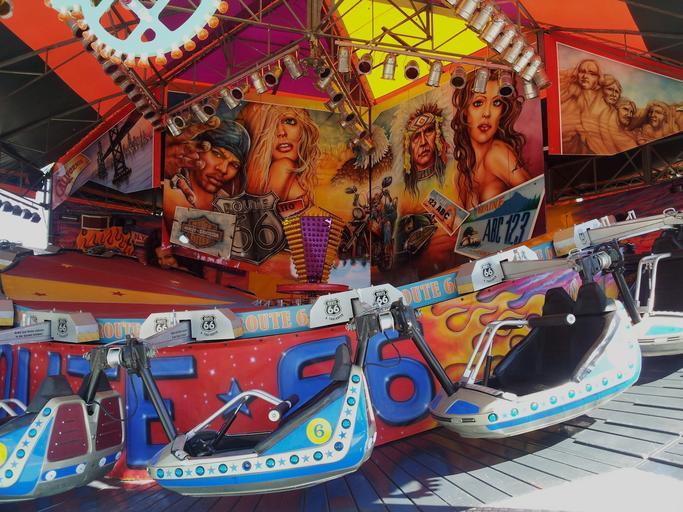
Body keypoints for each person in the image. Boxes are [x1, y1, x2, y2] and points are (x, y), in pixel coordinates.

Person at [451, 69, 530, 210]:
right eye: (478, 103)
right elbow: (467, 222)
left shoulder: (497, 153)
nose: (487, 113)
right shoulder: (461, 174)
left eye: (496, 103)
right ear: (465, 111)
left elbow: (534, 198)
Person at [163, 120, 250, 230]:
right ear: (197, 149)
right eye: (217, 154)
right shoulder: (168, 188)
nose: (223, 169)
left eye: (234, 165)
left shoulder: (230, 205)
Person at [239, 104, 321, 207]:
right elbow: (263, 215)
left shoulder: (295, 176)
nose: (281, 132)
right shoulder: (284, 166)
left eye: (289, 121)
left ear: (303, 129)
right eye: (270, 125)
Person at [402, 104, 449, 197]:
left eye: (428, 131)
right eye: (416, 136)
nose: (423, 142)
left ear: (438, 135)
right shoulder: (401, 190)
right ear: (407, 147)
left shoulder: (452, 174)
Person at [559, 59, 602, 154]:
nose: (585, 76)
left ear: (598, 79)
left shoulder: (601, 101)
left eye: (592, 74)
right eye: (582, 72)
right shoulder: (568, 93)